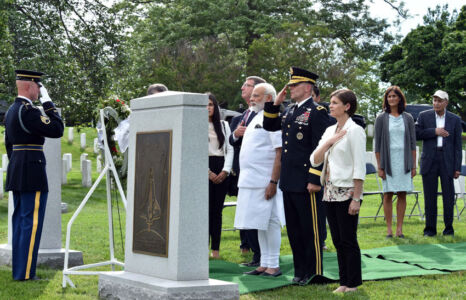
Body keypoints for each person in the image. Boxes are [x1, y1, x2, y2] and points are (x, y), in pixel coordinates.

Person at [263, 67, 332, 285]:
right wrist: (275, 103)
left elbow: (320, 147)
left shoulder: (318, 111)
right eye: (290, 85)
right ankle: (300, 270)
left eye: (295, 85)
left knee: (310, 229)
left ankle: (314, 271)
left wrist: (314, 179)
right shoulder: (290, 110)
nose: (290, 88)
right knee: (294, 230)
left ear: (308, 87)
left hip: (306, 181)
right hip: (290, 180)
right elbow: (269, 124)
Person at [5, 70, 64, 280]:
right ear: (30, 86)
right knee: (31, 223)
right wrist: (48, 104)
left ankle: (20, 271)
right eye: (39, 87)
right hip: (32, 169)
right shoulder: (29, 111)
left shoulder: (12, 110)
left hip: (17, 169)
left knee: (21, 221)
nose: (40, 91)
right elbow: (57, 129)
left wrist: (17, 164)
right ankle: (26, 274)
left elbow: (9, 146)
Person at [310, 89, 366, 293]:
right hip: (329, 191)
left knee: (348, 239)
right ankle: (344, 282)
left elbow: (359, 167)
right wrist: (328, 142)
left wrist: (357, 198)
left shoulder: (355, 130)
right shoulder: (329, 130)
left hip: (348, 191)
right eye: (330, 102)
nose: (330, 106)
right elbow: (314, 159)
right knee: (337, 240)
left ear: (347, 106)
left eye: (334, 103)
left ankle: (354, 283)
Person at [234, 83, 286, 277]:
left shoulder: (272, 120)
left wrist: (273, 182)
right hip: (250, 180)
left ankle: (273, 265)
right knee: (259, 223)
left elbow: (279, 153)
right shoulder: (256, 116)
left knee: (270, 221)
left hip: (265, 181)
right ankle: (264, 263)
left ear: (269, 99)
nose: (252, 98)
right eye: (252, 95)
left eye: (256, 95)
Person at [229, 75, 266, 266]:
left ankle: (262, 256)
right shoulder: (243, 115)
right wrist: (236, 134)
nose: (243, 88)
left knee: (258, 216)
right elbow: (231, 141)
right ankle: (255, 254)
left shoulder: (267, 114)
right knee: (246, 215)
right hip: (243, 173)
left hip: (260, 174)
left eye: (248, 85)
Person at [416, 90, 462, 237]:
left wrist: (457, 167)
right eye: (434, 100)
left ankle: (449, 229)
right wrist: (434, 131)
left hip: (447, 161)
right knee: (430, 197)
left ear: (446, 103)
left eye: (439, 100)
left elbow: (457, 146)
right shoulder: (424, 116)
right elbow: (416, 134)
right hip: (429, 160)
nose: (436, 103)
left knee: (448, 197)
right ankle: (430, 230)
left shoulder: (455, 119)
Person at [374, 86, 416, 238]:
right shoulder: (381, 118)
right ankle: (389, 230)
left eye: (394, 96)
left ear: (399, 98)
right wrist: (380, 166)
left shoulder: (408, 118)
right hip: (388, 160)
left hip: (404, 160)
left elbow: (412, 143)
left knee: (402, 194)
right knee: (387, 194)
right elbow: (377, 145)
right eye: (389, 96)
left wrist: (413, 165)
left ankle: (399, 229)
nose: (391, 99)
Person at [207, 93, 233, 258]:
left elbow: (230, 148)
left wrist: (225, 170)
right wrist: (208, 173)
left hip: (222, 167)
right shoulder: (195, 125)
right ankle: (202, 248)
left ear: (215, 107)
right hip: (205, 169)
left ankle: (215, 250)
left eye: (210, 104)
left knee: (217, 211)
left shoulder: (223, 125)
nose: (207, 108)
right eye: (204, 105)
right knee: (204, 211)